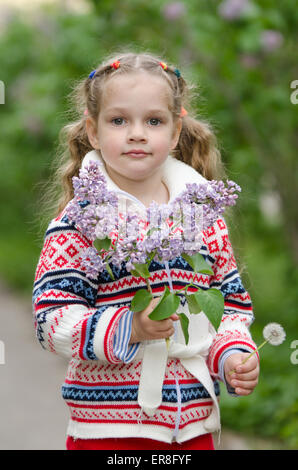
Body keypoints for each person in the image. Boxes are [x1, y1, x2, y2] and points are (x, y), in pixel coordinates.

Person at [33, 51, 259, 451]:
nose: (137, 133)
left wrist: (231, 355)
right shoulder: (81, 221)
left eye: (153, 121)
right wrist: (129, 328)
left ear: (174, 133)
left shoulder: (203, 216)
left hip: (193, 426)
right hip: (110, 431)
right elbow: (51, 318)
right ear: (93, 131)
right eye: (119, 120)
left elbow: (230, 308)